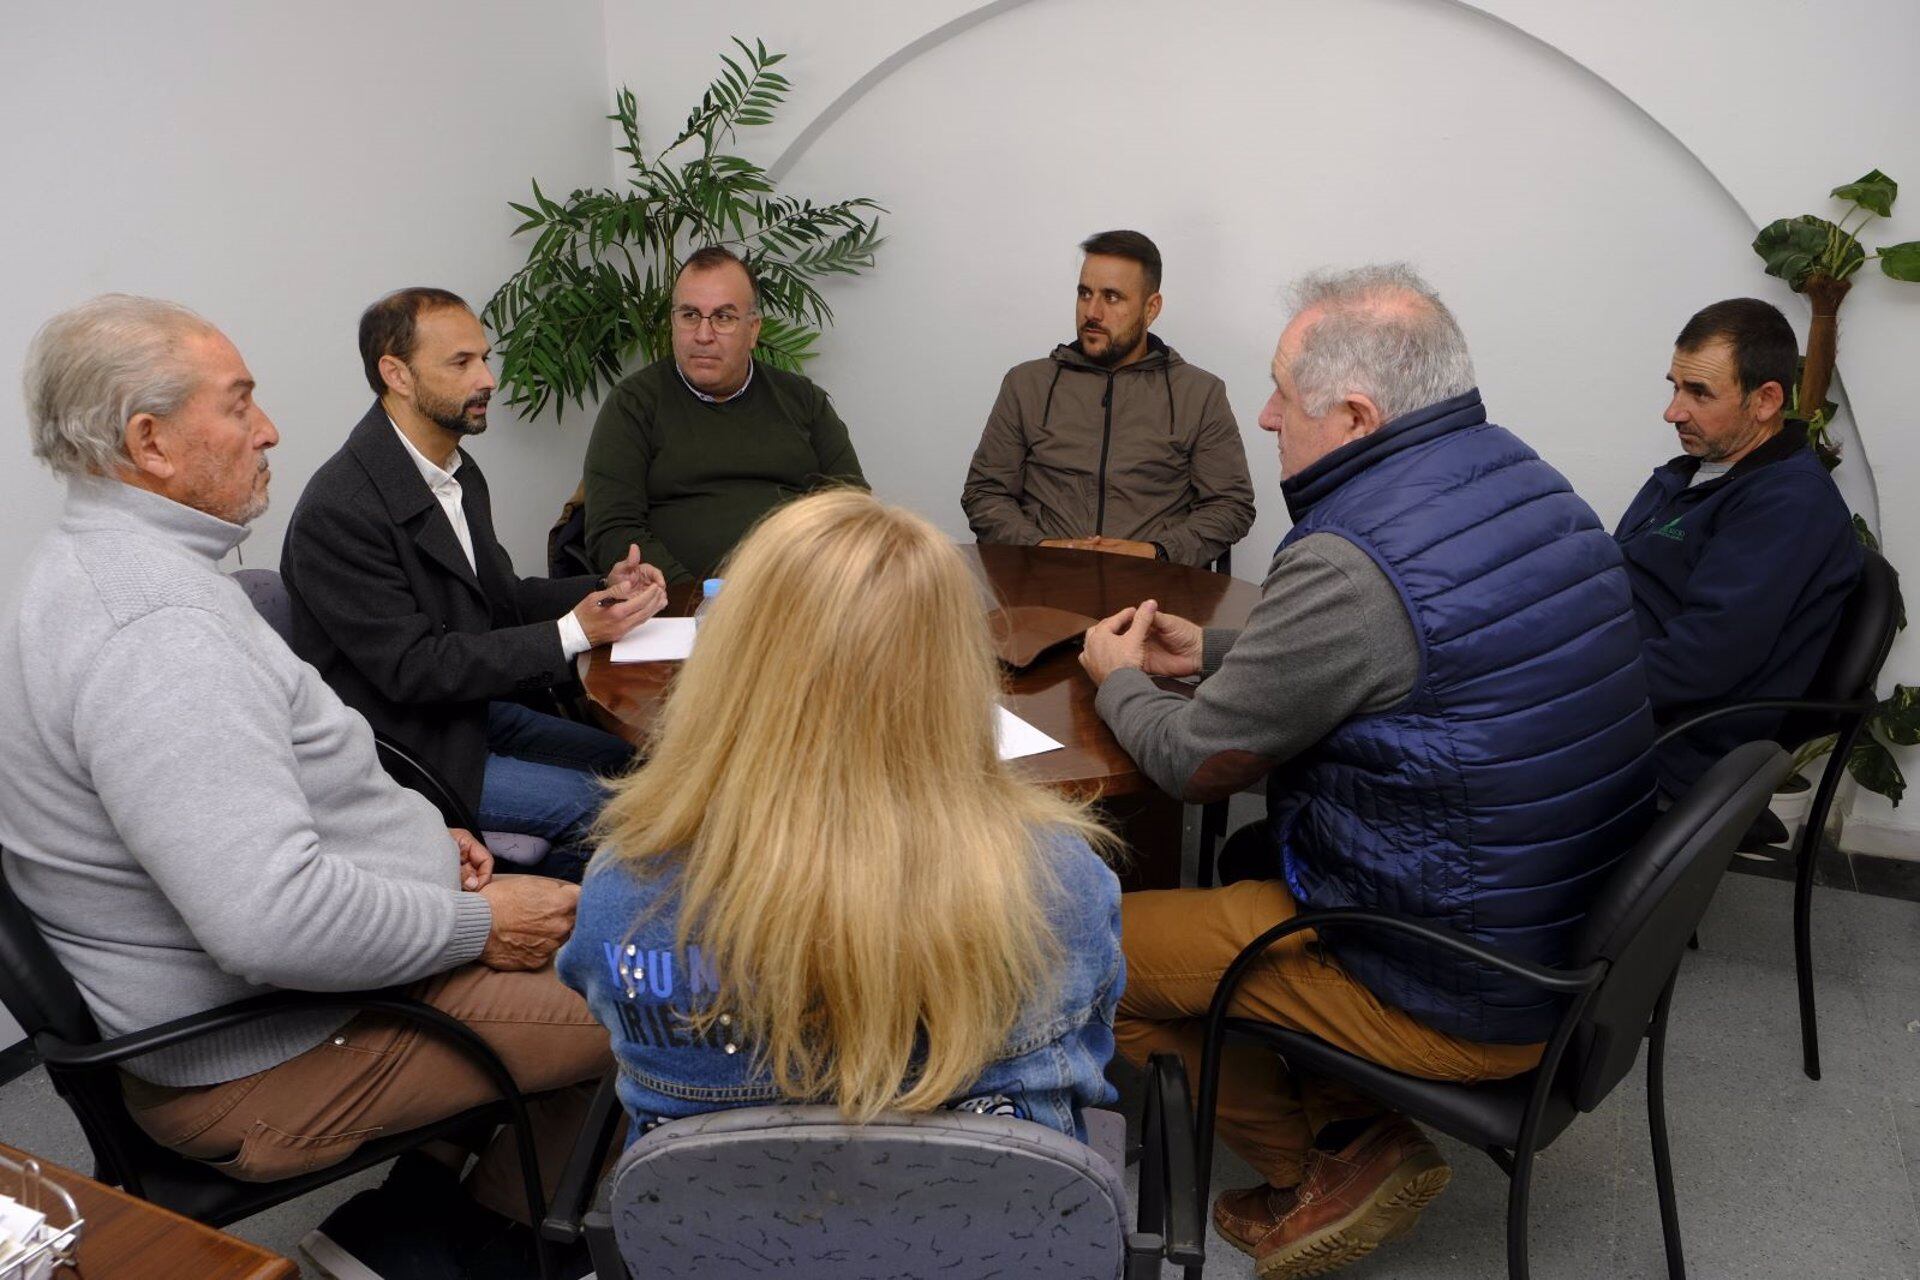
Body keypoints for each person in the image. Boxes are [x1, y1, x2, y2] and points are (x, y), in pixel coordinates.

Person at [0, 295, 609, 1279]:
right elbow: (268, 920)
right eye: (239, 404)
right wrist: (477, 921)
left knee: (599, 946)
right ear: (150, 441)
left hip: (315, 997)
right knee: (654, 1002)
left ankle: (399, 1229)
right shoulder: (157, 631)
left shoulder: (112, 568)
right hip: (275, 1054)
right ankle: (496, 1252)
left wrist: (417, 845)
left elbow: (256, 804)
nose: (269, 427)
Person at [1077, 266, 1655, 1278]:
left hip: (1454, 979)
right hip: (1554, 925)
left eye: (1279, 395)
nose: (1263, 415)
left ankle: (1327, 1165)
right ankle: (1343, 1106)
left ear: (1354, 414)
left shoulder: (1352, 555)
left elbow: (1197, 762)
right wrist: (1208, 653)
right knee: (1254, 853)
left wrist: (1118, 677)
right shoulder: (1522, 477)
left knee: (1081, 951)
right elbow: (1412, 648)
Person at [558, 490, 1124, 1144]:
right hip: (998, 1238)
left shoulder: (622, 893)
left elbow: (608, 1015)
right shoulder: (1064, 884)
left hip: (721, 1241)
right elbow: (1094, 1052)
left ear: (732, 662)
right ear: (956, 671)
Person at [282, 287, 666, 879]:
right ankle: (533, 923)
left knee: (639, 766)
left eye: (484, 358)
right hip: (403, 754)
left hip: (468, 715)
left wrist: (603, 588)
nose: (487, 378)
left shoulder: (457, 469)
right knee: (619, 811)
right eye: (461, 363)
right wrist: (573, 631)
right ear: (396, 375)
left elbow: (500, 598)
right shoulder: (341, 510)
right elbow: (415, 668)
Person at [1614, 297, 1863, 806]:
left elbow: (1700, 662)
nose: (1672, 411)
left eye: (1698, 392)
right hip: (1621, 691)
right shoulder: (1691, 472)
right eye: (1675, 387)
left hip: (1667, 742)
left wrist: (1565, 680)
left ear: (1766, 400)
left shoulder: (1789, 504)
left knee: (1454, 753)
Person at [961, 229, 1255, 566]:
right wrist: (1039, 547)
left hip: (1153, 594)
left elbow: (1231, 506)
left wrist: (1156, 552)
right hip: (1042, 587)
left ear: (1151, 308)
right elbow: (984, 494)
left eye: (1112, 297)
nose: (1092, 312)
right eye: (1085, 294)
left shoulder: (1200, 394)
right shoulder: (1026, 385)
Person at [580, 247, 867, 582]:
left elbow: (853, 512)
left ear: (754, 330)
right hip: (678, 610)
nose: (703, 335)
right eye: (689, 315)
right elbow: (612, 531)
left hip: (796, 599)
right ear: (673, 322)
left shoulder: (803, 401)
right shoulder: (633, 405)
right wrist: (698, 600)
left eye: (723, 317)